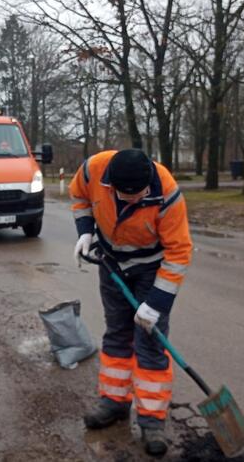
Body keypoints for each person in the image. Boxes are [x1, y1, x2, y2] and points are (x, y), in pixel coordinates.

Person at [69, 148, 192, 457]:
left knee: (149, 340)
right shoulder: (93, 169)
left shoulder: (167, 194)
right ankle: (114, 402)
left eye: (137, 195)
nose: (132, 200)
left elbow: (178, 254)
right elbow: (80, 197)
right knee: (117, 332)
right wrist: (85, 234)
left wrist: (156, 303)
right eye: (125, 196)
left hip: (151, 267)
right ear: (112, 184)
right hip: (112, 262)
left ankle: (152, 421)